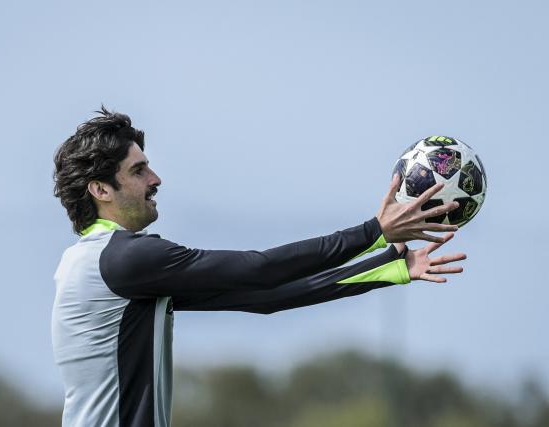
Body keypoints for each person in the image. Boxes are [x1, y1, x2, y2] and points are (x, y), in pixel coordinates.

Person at [51, 107, 466, 427]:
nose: (156, 178)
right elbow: (261, 269)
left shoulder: (101, 265)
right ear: (101, 189)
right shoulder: (124, 260)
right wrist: (373, 231)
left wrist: (389, 264)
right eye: (138, 171)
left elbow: (266, 296)